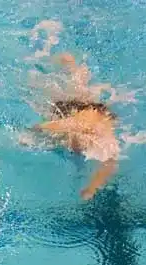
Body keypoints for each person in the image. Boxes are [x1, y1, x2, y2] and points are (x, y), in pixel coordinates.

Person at [30, 52, 121, 201]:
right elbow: (64, 125)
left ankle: (72, 67)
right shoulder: (84, 125)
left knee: (78, 95)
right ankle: (70, 65)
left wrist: (92, 188)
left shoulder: (97, 139)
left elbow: (110, 163)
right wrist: (37, 128)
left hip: (90, 118)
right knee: (76, 93)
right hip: (85, 115)